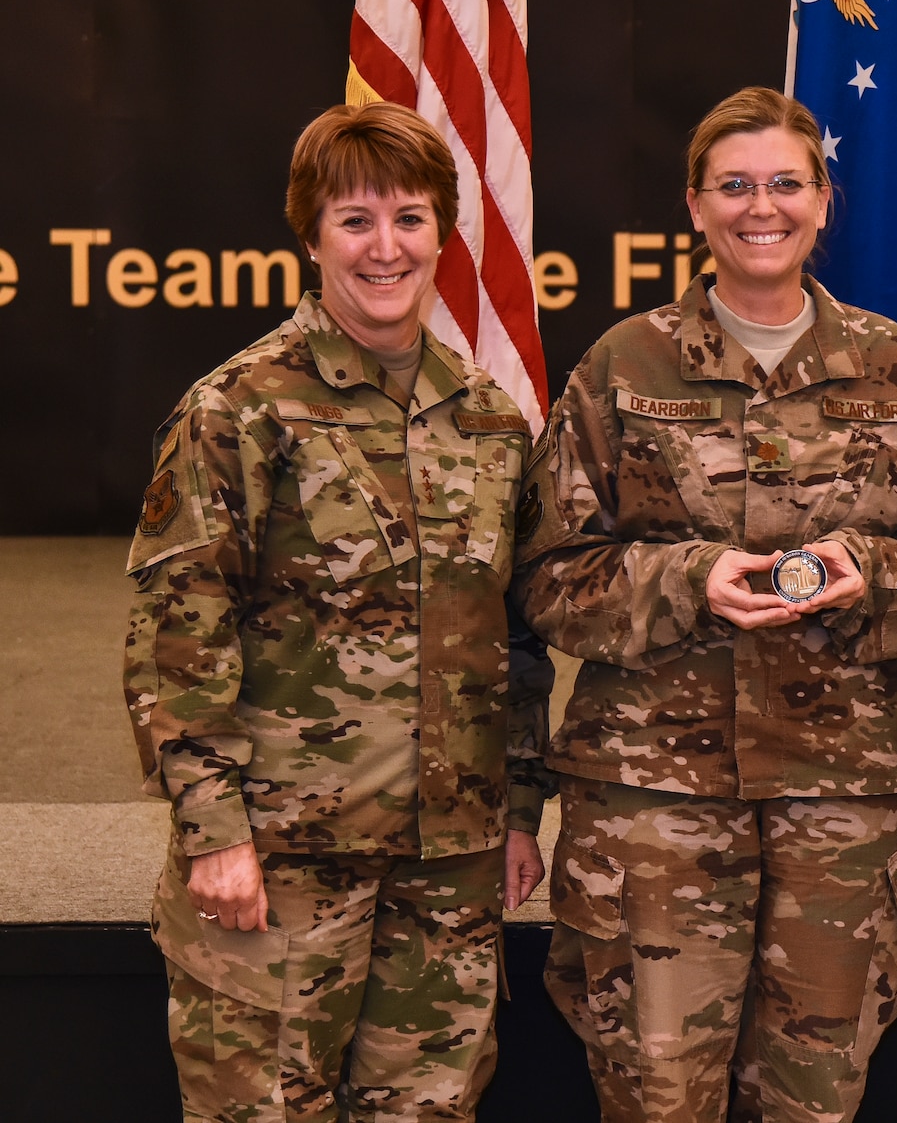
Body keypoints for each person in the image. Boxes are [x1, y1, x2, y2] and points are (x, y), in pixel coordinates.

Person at [510, 86, 897, 1123]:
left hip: (840, 806)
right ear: (694, 205)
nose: (758, 207)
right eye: (733, 186)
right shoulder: (620, 368)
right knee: (658, 1100)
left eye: (782, 184)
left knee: (816, 1102)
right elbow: (546, 578)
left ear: (822, 202)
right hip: (654, 811)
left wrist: (872, 574)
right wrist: (684, 579)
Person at [123, 101, 554, 1122]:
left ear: (443, 234)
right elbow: (178, 634)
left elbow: (516, 641)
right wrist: (214, 830)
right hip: (279, 860)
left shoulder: (488, 418)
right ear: (310, 234)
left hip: (448, 864)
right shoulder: (238, 408)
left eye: (408, 218)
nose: (384, 247)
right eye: (354, 220)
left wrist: (518, 809)